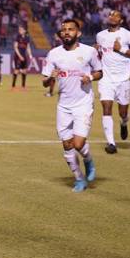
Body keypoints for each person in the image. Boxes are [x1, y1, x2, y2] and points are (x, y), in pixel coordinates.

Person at [41, 18, 102, 193]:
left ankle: (88, 160)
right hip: (64, 106)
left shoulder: (89, 51)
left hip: (83, 103)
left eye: (71, 29)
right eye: (64, 30)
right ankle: (79, 179)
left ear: (78, 33)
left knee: (78, 143)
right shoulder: (53, 54)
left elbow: (99, 72)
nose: (66, 32)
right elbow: (45, 82)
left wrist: (89, 77)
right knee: (67, 145)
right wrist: (51, 77)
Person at [94, 10, 130, 154]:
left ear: (121, 20)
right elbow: (98, 52)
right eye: (110, 15)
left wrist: (120, 48)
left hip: (123, 80)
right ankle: (111, 143)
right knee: (106, 108)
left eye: (116, 15)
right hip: (106, 79)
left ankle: (124, 123)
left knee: (123, 112)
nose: (112, 17)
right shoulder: (100, 36)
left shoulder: (129, 35)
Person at [11, 25, 33, 91]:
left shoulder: (27, 38)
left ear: (24, 31)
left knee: (24, 71)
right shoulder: (17, 37)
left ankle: (23, 86)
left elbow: (28, 47)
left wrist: (30, 55)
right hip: (18, 56)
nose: (19, 30)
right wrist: (20, 56)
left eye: (21, 29)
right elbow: (15, 47)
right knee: (16, 70)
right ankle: (13, 86)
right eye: (19, 29)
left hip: (24, 56)